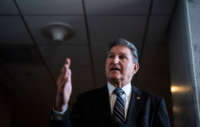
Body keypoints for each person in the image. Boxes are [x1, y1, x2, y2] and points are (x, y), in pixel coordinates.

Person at [50, 38, 170, 127]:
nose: (114, 60)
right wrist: (61, 107)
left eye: (122, 57)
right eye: (111, 56)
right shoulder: (86, 101)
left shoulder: (153, 103)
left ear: (135, 68)